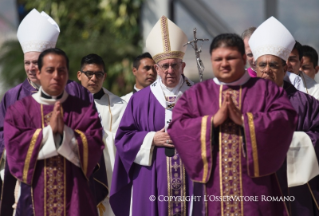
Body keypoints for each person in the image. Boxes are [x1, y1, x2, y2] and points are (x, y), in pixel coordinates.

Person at [167, 32, 298, 216]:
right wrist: (212, 122)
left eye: (231, 58)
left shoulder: (266, 90)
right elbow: (178, 128)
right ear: (211, 60)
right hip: (212, 190)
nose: (224, 64)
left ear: (244, 58)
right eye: (218, 59)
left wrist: (245, 121)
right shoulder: (196, 94)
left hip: (255, 188)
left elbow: (285, 119)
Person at [0, 9, 92, 215]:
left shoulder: (75, 91)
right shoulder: (12, 97)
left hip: (70, 179)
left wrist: (66, 134)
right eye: (27, 63)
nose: (31, 68)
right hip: (28, 184)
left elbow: (92, 132)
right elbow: (3, 137)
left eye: (36, 62)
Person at [4, 48, 105, 215]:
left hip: (75, 197)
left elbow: (94, 145)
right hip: (33, 200)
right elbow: (15, 151)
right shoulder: (20, 110)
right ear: (39, 72)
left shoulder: (83, 109)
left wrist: (65, 133)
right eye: (50, 70)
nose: (56, 76)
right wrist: (48, 134)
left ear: (68, 73)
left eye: (61, 70)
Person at [110, 16, 194, 216]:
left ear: (183, 66)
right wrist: (151, 139)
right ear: (157, 69)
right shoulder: (140, 101)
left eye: (175, 65)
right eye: (164, 66)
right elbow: (123, 139)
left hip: (191, 178)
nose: (170, 71)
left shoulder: (198, 95)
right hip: (151, 181)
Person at [250, 16, 319, 216]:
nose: (267, 71)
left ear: (285, 67)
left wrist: (290, 141)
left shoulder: (307, 103)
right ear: (255, 68)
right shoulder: (241, 102)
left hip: (296, 189)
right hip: (255, 184)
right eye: (262, 65)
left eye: (273, 65)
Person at [77, 53, 127, 216]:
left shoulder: (119, 106)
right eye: (89, 74)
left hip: (108, 179)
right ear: (79, 75)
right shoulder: (67, 103)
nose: (93, 78)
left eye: (98, 74)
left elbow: (124, 141)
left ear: (104, 76)